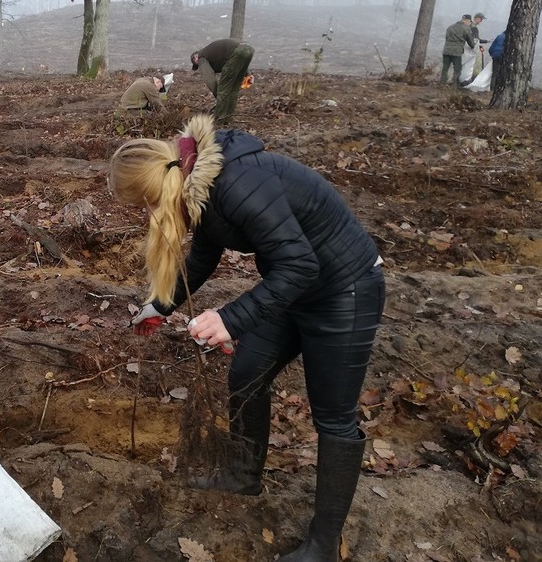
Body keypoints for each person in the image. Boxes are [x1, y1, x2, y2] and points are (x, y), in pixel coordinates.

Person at [110, 114, 385, 561]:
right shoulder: (197, 184)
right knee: (248, 369)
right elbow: (203, 256)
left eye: (141, 206)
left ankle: (323, 545)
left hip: (345, 290)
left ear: (154, 190)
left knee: (333, 417)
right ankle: (243, 474)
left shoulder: (237, 183)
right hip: (295, 286)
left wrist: (231, 319)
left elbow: (301, 265)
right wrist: (160, 306)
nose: (145, 216)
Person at [190, 38, 254, 123]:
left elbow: (210, 80)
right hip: (248, 49)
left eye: (196, 64)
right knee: (233, 89)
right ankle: (228, 117)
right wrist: (249, 75)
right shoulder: (215, 54)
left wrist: (219, 96)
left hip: (237, 52)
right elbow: (239, 57)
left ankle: (219, 119)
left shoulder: (201, 57)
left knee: (224, 90)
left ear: (195, 57)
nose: (199, 66)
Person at [441, 15, 476, 86]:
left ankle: (442, 83)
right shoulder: (466, 29)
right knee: (457, 69)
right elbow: (471, 42)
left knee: (445, 68)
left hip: (446, 50)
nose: (469, 24)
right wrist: (473, 45)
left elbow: (447, 38)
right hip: (456, 52)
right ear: (466, 20)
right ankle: (455, 85)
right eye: (469, 22)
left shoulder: (450, 27)